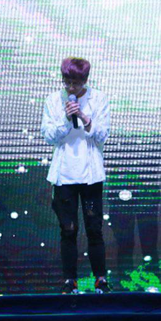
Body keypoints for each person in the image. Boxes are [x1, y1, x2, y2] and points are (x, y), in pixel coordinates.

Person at [40, 57, 111, 294]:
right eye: (67, 82)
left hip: (91, 176)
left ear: (85, 80)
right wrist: (66, 120)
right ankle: (70, 281)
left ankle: (100, 279)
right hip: (64, 177)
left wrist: (84, 116)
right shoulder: (53, 100)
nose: (71, 88)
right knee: (68, 229)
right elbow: (49, 136)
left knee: (94, 228)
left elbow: (102, 135)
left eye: (76, 83)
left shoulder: (99, 98)